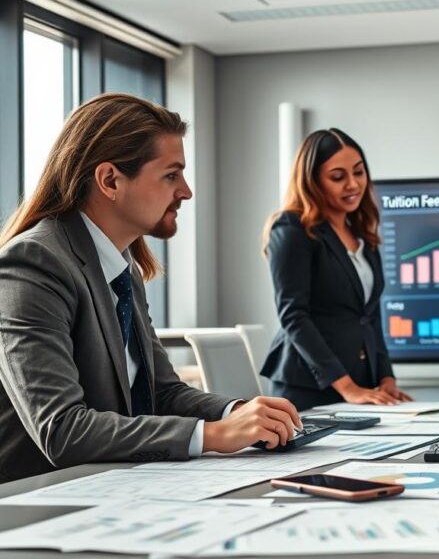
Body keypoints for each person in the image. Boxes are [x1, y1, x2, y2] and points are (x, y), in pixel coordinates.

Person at [0, 93, 303, 483]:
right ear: (110, 180)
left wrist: (238, 414)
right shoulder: (32, 264)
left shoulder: (121, 267)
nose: (187, 191)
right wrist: (211, 435)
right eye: (171, 175)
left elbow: (159, 393)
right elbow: (62, 430)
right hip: (32, 502)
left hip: (113, 484)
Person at [261, 128, 411, 411]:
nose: (353, 184)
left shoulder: (363, 234)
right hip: (310, 389)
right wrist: (347, 388)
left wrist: (386, 376)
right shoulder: (292, 229)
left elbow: (371, 315)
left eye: (359, 172)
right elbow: (294, 316)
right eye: (338, 177)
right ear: (313, 181)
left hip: (360, 386)